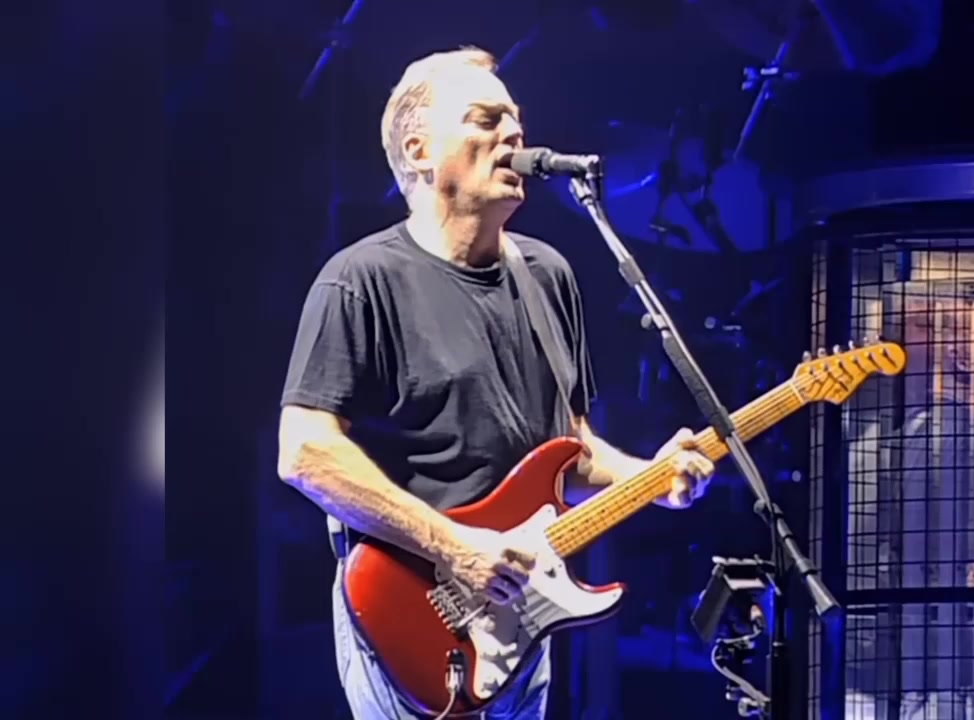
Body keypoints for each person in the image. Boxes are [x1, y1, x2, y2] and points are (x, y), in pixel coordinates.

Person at [275, 46, 715, 720]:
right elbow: (306, 453)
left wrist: (652, 478)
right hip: (410, 609)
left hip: (519, 611)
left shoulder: (547, 276)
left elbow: (570, 452)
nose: (514, 133)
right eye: (485, 119)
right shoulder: (361, 280)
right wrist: (455, 547)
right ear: (420, 151)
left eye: (515, 119)